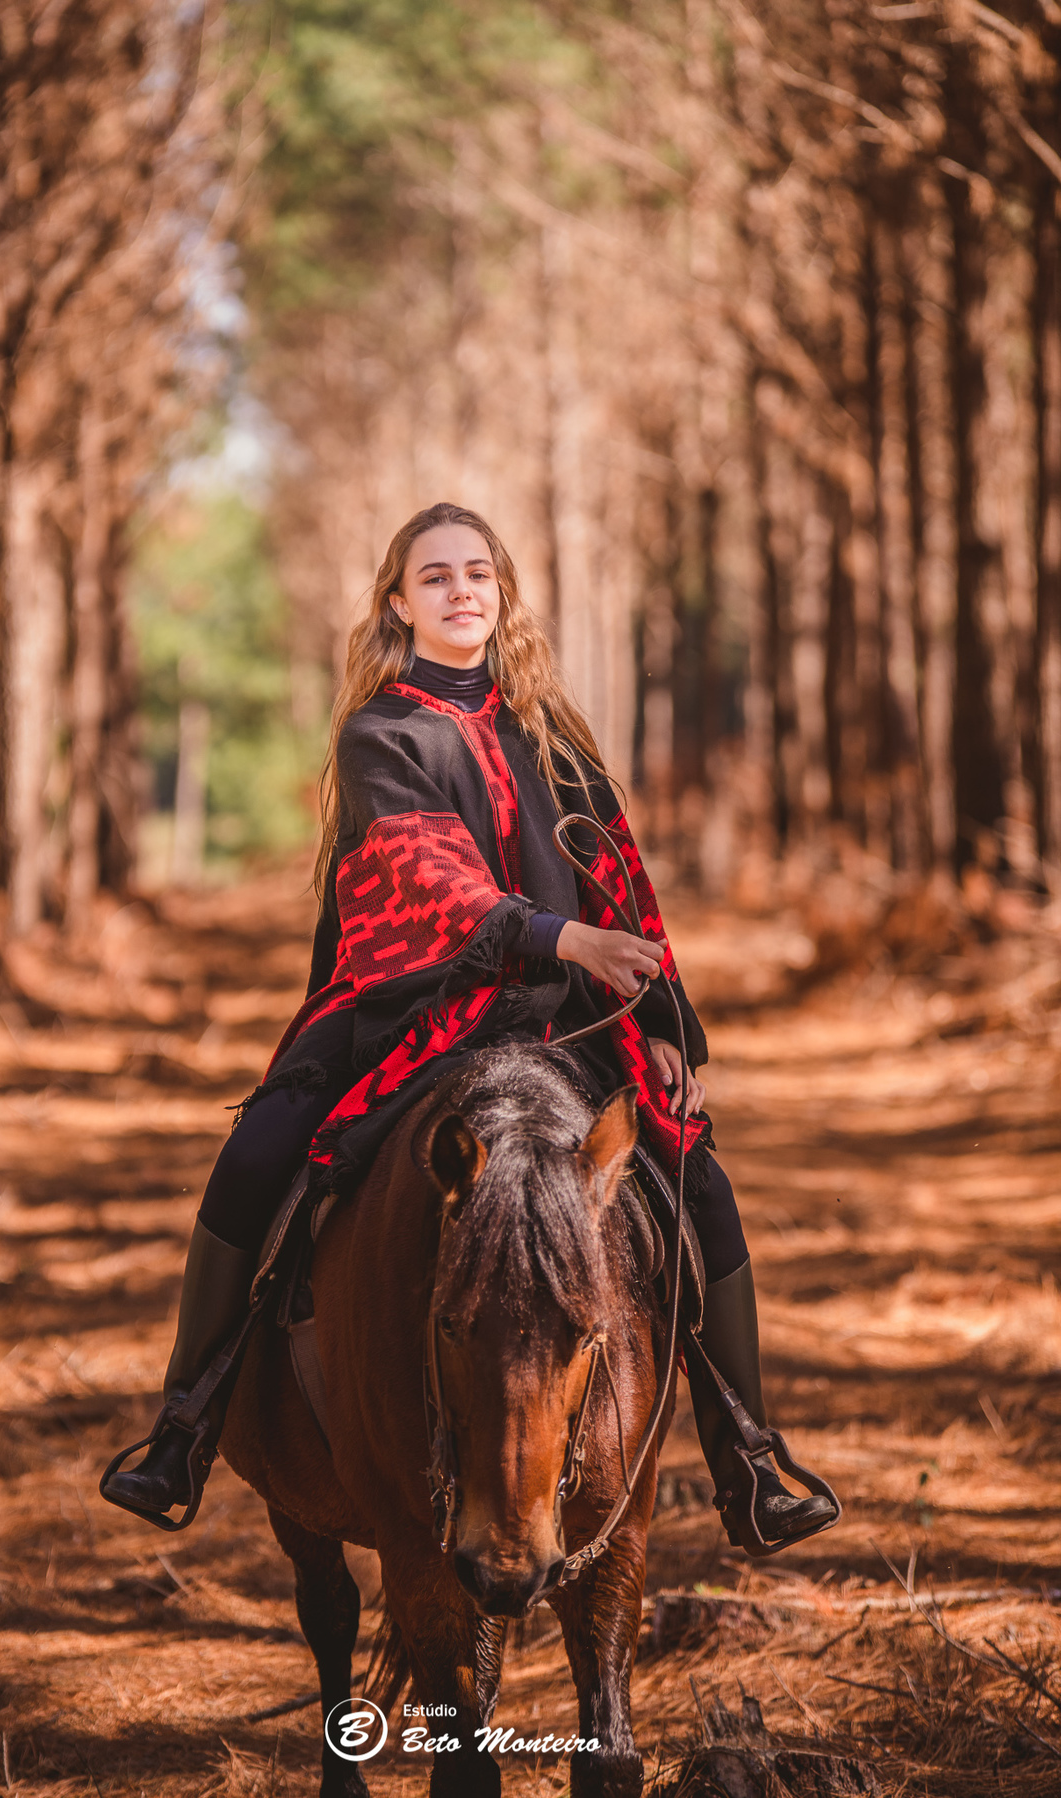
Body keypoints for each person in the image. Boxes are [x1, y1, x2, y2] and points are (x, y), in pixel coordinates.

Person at [102, 501, 836, 1552]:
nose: (461, 591)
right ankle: (184, 1420)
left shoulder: (557, 738)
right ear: (399, 602)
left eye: (478, 573)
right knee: (256, 1152)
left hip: (566, 1028)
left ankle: (748, 1450)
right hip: (411, 1016)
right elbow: (426, 879)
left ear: (503, 596)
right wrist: (558, 940)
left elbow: (621, 883)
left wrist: (667, 1023)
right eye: (436, 575)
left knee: (696, 1176)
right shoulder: (379, 737)